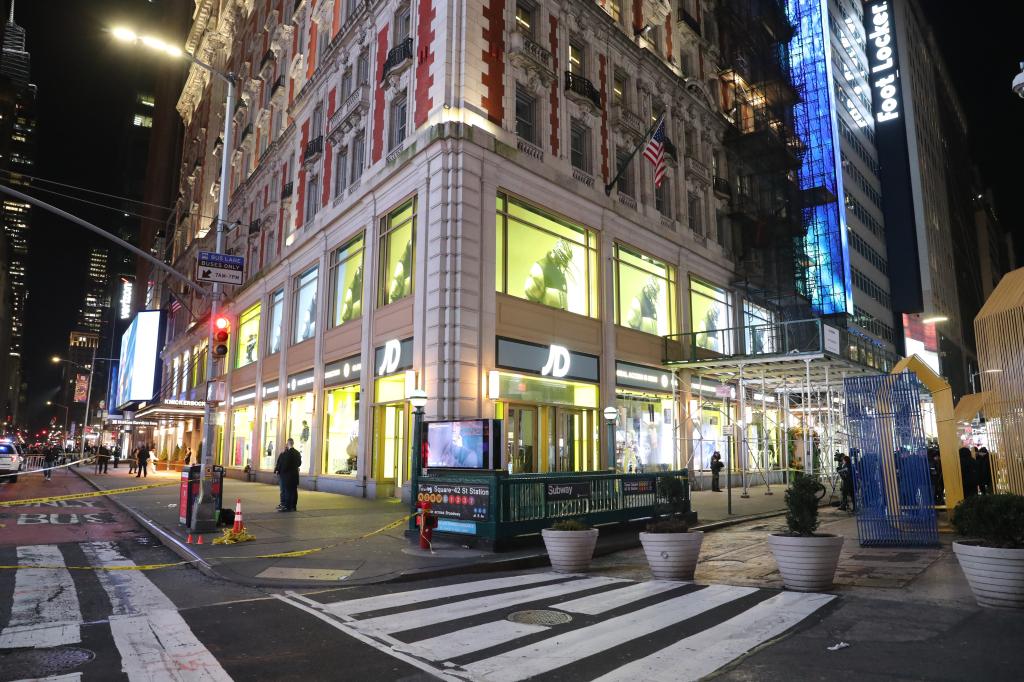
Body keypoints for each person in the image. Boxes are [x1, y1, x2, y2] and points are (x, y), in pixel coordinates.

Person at [274, 438, 302, 512]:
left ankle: (287, 506)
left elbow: (285, 465)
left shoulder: (287, 453)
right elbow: (299, 463)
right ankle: (293, 506)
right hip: (295, 476)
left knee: (287, 491)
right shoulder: (297, 452)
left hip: (287, 476)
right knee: (294, 491)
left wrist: (280, 472)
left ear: (288, 443)